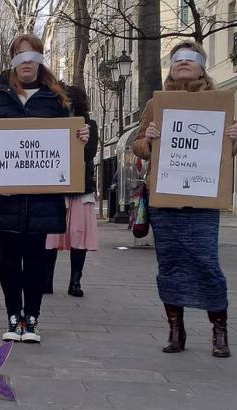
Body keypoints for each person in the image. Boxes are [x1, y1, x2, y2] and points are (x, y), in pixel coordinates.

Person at [0, 34, 89, 344]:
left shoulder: (57, 98)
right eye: (20, 55)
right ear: (12, 59)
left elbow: (73, 149)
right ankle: (13, 315)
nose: (27, 61)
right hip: (4, 194)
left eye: (33, 55)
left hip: (42, 194)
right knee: (8, 253)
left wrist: (82, 139)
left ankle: (32, 318)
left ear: (41, 59)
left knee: (36, 254)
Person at [132, 41, 237, 358]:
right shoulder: (158, 104)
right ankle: (175, 329)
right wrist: (147, 140)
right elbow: (138, 147)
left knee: (206, 263)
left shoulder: (219, 103)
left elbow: (224, 155)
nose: (182, 63)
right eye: (177, 59)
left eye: (190, 59)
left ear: (202, 66)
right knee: (171, 264)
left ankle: (219, 331)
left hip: (202, 199)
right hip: (165, 199)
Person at [44, 85, 99, 297]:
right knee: (50, 238)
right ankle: (46, 280)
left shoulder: (89, 126)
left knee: (79, 237)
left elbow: (90, 153)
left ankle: (75, 281)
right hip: (55, 190)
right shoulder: (51, 124)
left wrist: (82, 140)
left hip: (80, 190)